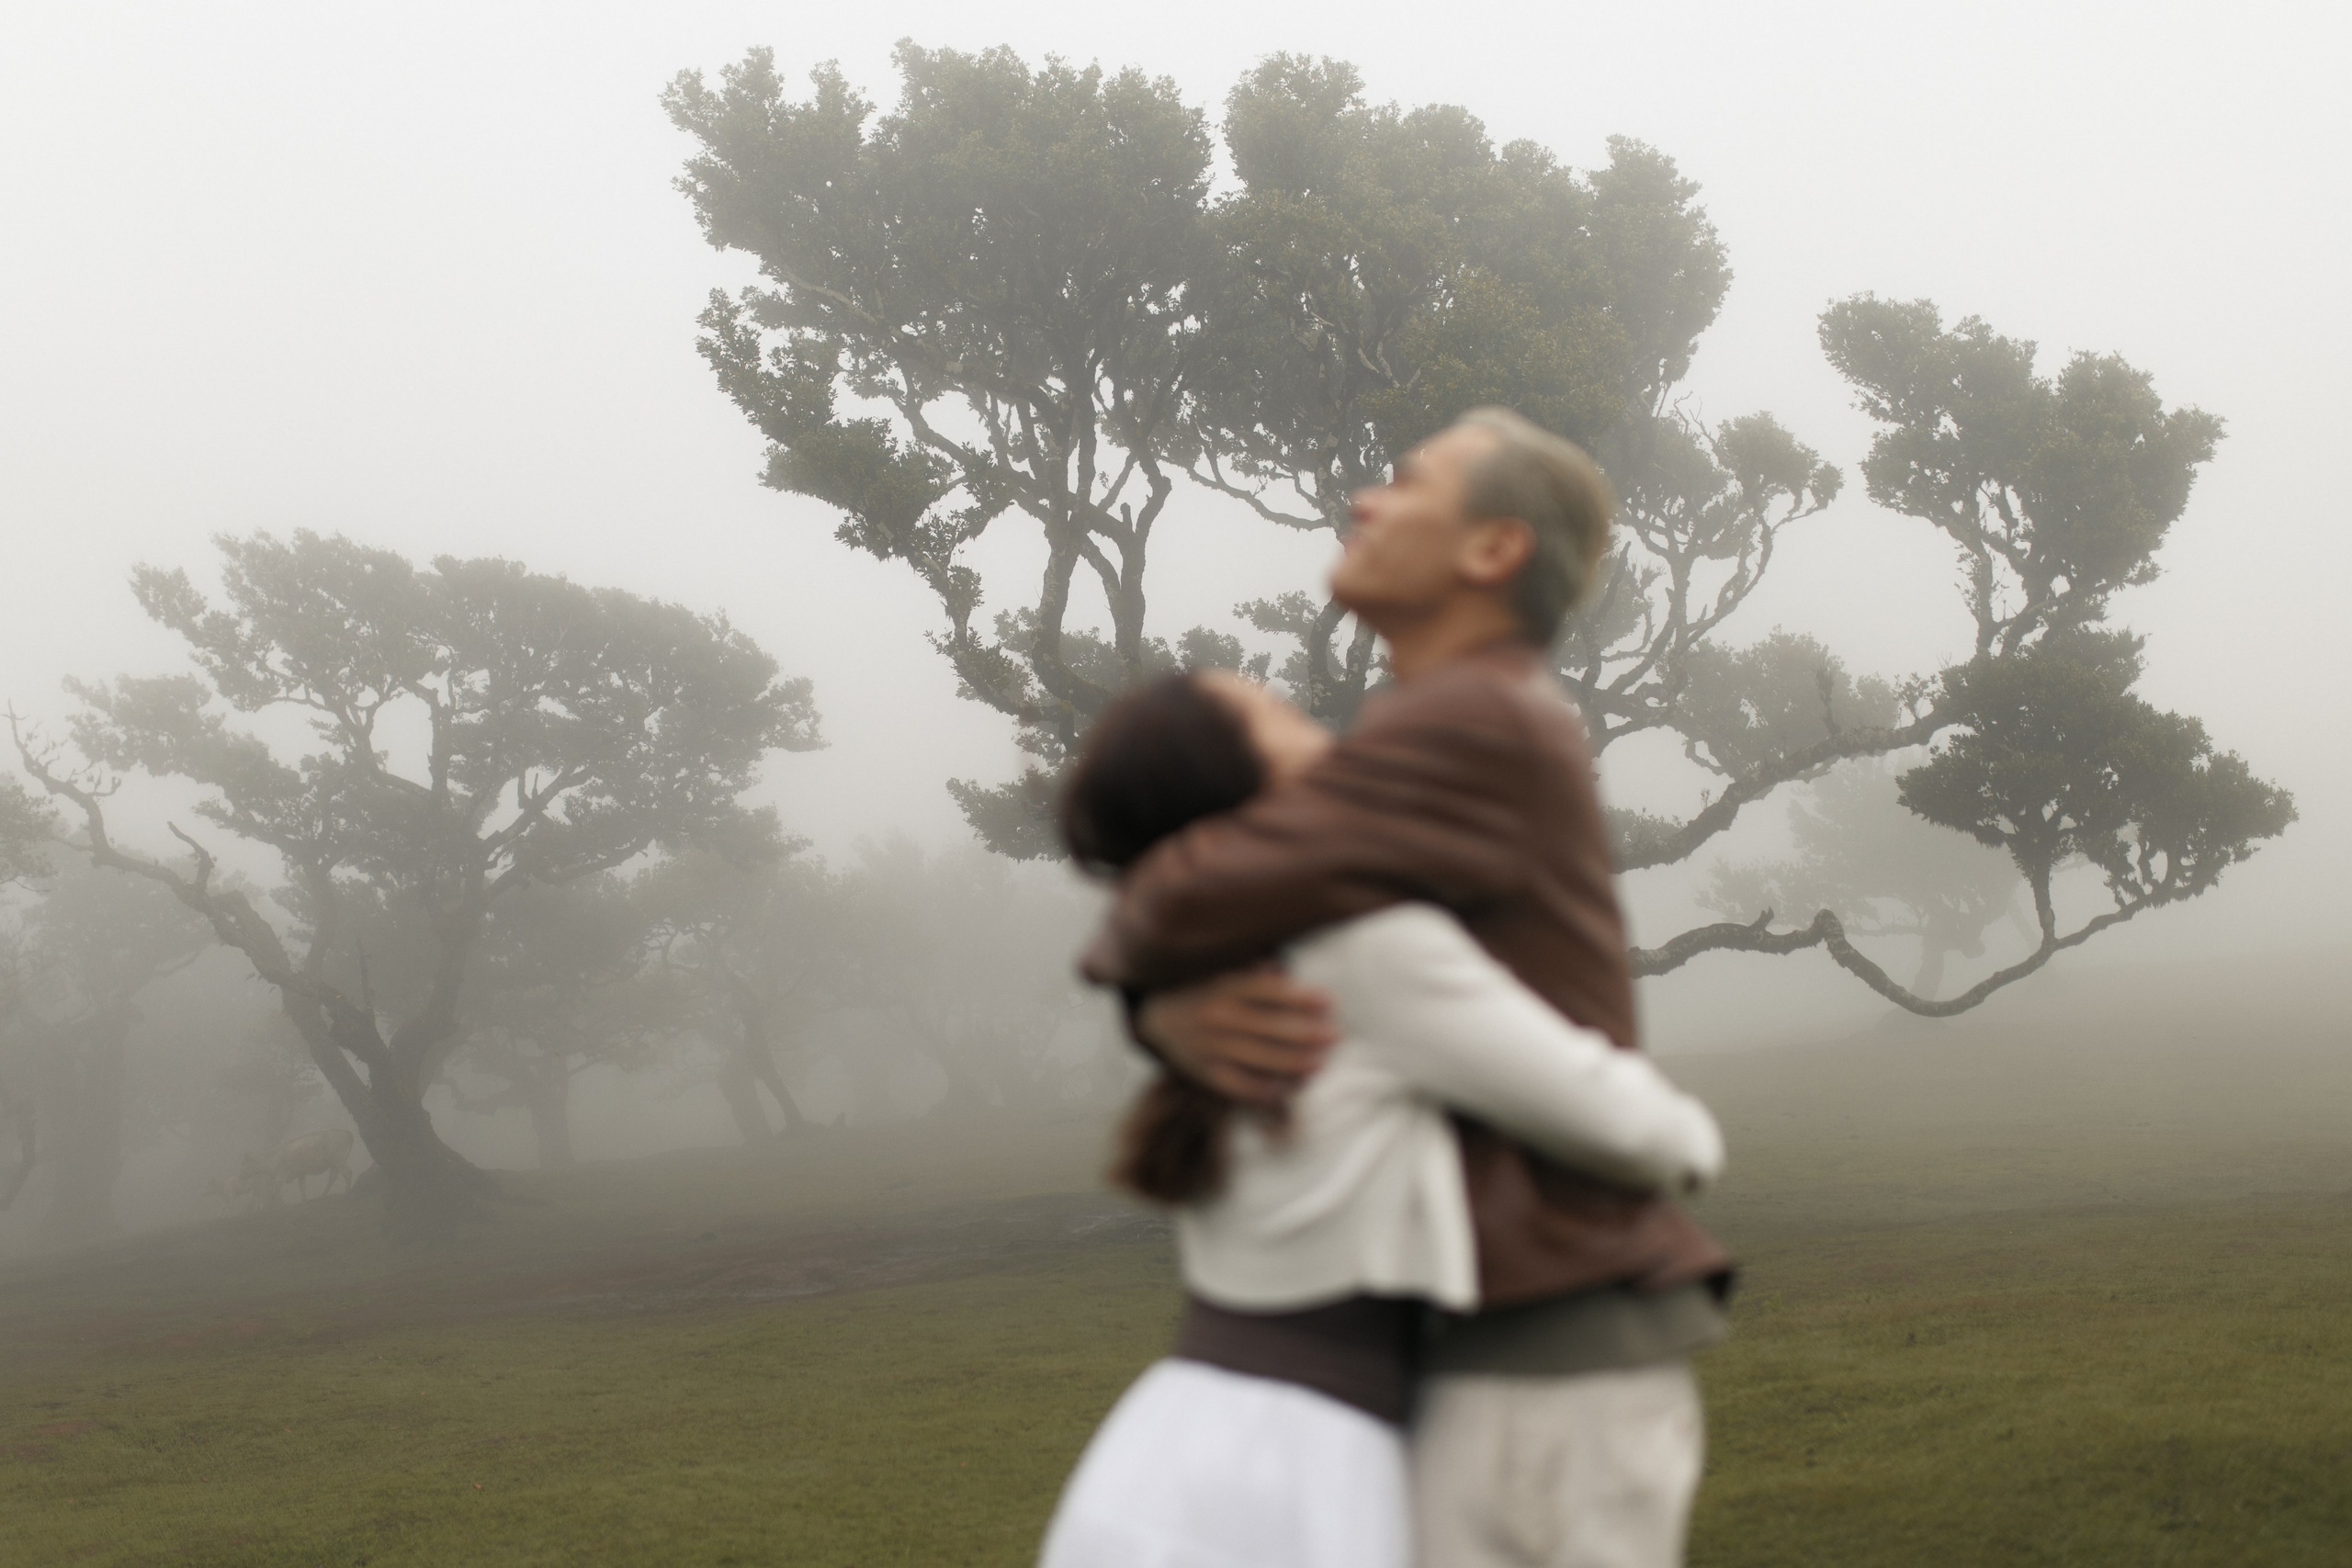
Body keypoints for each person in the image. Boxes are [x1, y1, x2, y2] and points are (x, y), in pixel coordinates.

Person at [1082, 407, 1732, 1568]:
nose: (1361, 503)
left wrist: (1142, 985)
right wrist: (1162, 1000)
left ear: (1490, 552)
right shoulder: (1438, 722)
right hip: (1494, 1327)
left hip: (1551, 1321)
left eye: (1404, 485)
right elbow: (1244, 881)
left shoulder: (1470, 718)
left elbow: (1200, 882)